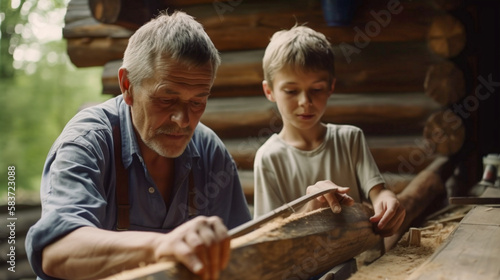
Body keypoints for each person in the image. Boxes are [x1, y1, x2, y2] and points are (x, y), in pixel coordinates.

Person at [25, 11, 251, 280]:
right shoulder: (88, 141)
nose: (183, 121)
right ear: (127, 85)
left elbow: (243, 249)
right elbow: (56, 251)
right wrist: (161, 245)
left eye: (197, 102)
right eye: (167, 100)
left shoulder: (210, 151)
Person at [253, 25, 405, 238]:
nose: (305, 102)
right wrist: (311, 209)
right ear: (269, 91)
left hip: (365, 267)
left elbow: (378, 193)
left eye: (316, 90)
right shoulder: (269, 158)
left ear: (331, 87)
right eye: (291, 91)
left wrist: (388, 204)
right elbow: (269, 234)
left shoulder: (350, 139)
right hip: (307, 270)